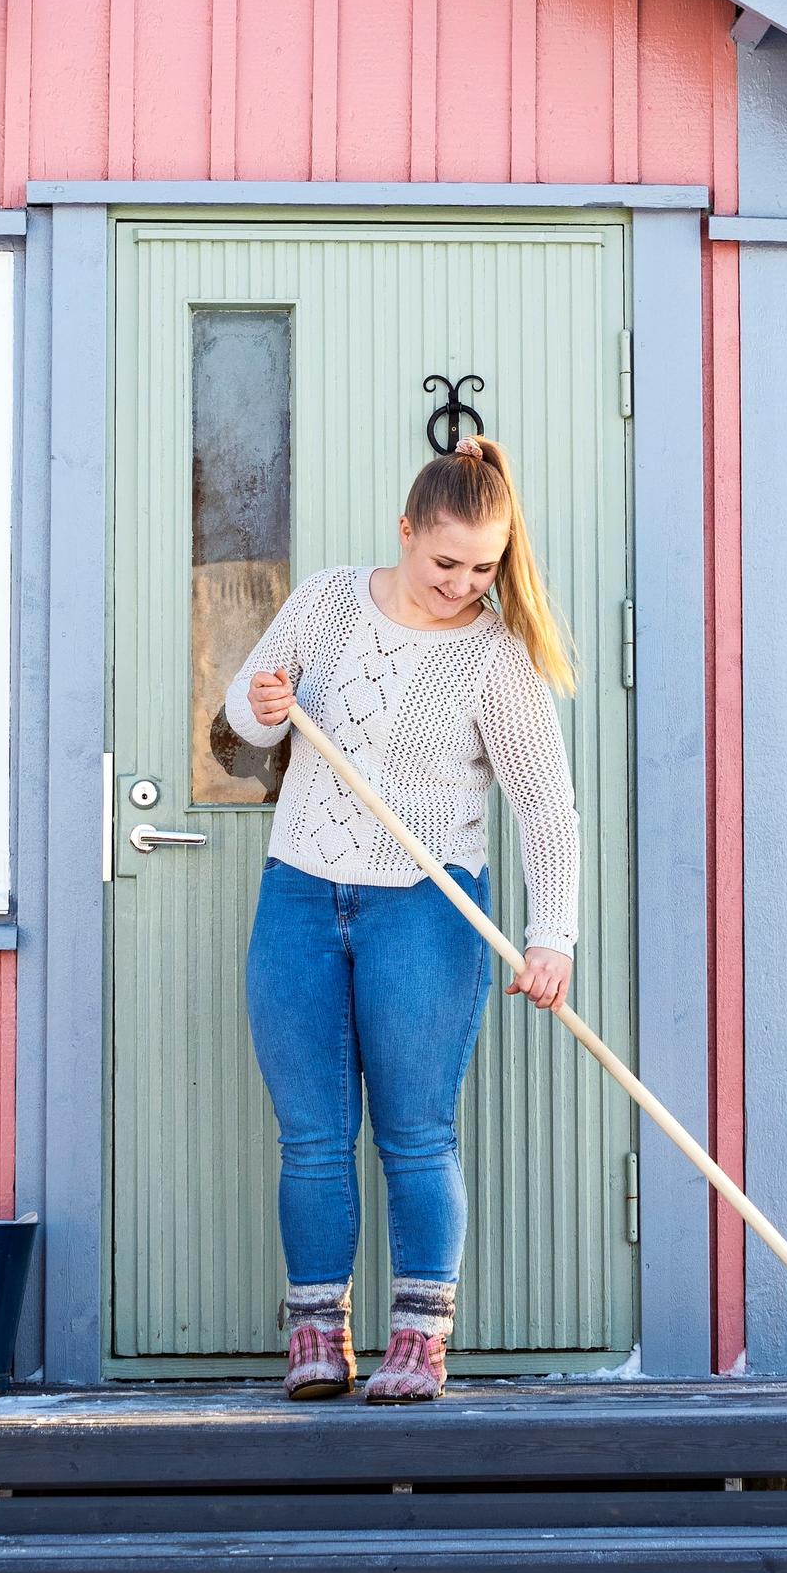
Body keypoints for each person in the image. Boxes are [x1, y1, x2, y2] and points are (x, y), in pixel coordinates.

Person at [223, 434, 580, 1405]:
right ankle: (315, 1337)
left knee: (416, 1133)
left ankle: (418, 1343)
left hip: (426, 909)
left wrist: (553, 936)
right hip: (298, 893)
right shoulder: (330, 599)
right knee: (311, 1133)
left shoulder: (495, 660)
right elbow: (250, 717)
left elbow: (546, 807)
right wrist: (259, 704)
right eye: (445, 561)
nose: (463, 582)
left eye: (484, 566)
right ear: (406, 531)